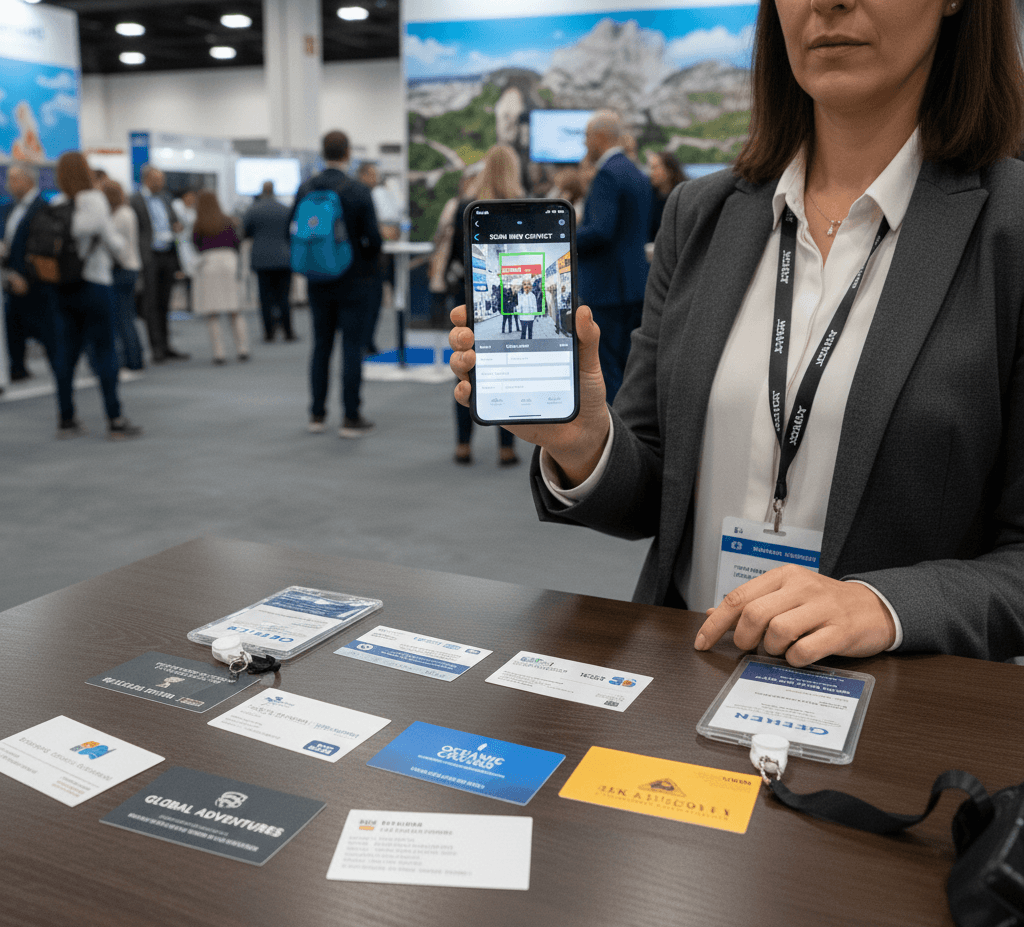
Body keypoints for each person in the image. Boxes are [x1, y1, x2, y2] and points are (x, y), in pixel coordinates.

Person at [452, 0, 1024, 666]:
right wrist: (586, 443)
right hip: (685, 685)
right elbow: (653, 491)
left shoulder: (1007, 233)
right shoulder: (702, 216)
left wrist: (884, 605)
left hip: (883, 724)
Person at [292, 129, 382, 437]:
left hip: (317, 281)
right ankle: (350, 417)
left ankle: (316, 415)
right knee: (351, 348)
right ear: (347, 152)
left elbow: (294, 232)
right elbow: (374, 239)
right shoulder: (357, 189)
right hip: (354, 280)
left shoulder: (306, 188)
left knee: (321, 347)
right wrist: (367, 264)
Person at [51, 152, 141, 439]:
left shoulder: (56, 204)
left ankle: (66, 419)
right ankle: (114, 419)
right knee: (105, 352)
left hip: (64, 287)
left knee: (67, 355)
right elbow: (112, 241)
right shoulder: (95, 200)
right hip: (95, 284)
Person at [448, 144, 521, 467]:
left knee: (466, 370)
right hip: (511, 299)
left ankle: (463, 445)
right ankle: (506, 447)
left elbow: (454, 257)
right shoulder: (523, 207)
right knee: (508, 373)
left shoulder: (467, 206)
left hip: (470, 298)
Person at [574, 110, 652, 404]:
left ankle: (616, 443)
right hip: (633, 287)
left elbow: (601, 231)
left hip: (607, 290)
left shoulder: (607, 174)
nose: (584, 144)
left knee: (607, 371)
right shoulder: (635, 173)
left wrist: (564, 239)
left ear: (600, 137)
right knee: (629, 369)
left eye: (586, 137)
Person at [1, 163, 58, 383]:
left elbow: (42, 247)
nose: (9, 183)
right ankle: (18, 369)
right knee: (13, 327)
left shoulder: (44, 207)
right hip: (11, 278)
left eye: (14, 178)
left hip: (37, 281)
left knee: (47, 330)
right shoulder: (8, 208)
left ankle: (60, 371)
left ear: (28, 180)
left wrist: (26, 275)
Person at [131, 165, 189, 363]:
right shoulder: (135, 201)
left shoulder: (166, 198)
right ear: (148, 179)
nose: (162, 183)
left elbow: (173, 221)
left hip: (168, 254)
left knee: (165, 302)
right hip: (149, 257)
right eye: (158, 179)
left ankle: (166, 345)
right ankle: (156, 347)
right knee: (151, 303)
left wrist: (177, 226)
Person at [192, 190, 248, 364]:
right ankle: (242, 348)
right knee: (234, 309)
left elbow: (196, 245)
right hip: (229, 262)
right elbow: (237, 243)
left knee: (212, 312)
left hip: (208, 264)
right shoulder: (228, 221)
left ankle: (219, 353)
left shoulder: (199, 223)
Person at [99, 179, 144, 371]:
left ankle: (133, 360)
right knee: (126, 316)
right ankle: (133, 358)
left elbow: (117, 246)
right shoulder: (126, 212)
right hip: (129, 267)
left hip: (122, 269)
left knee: (123, 318)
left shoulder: (121, 215)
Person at [243, 180, 294, 343]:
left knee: (265, 298)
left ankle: (269, 332)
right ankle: (288, 331)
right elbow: (291, 232)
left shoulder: (253, 210)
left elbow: (245, 232)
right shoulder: (285, 209)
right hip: (283, 258)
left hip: (262, 259)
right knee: (284, 297)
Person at [647, 150, 687, 242]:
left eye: (654, 168)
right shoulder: (648, 195)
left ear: (669, 170)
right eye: (650, 167)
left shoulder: (684, 196)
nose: (650, 172)